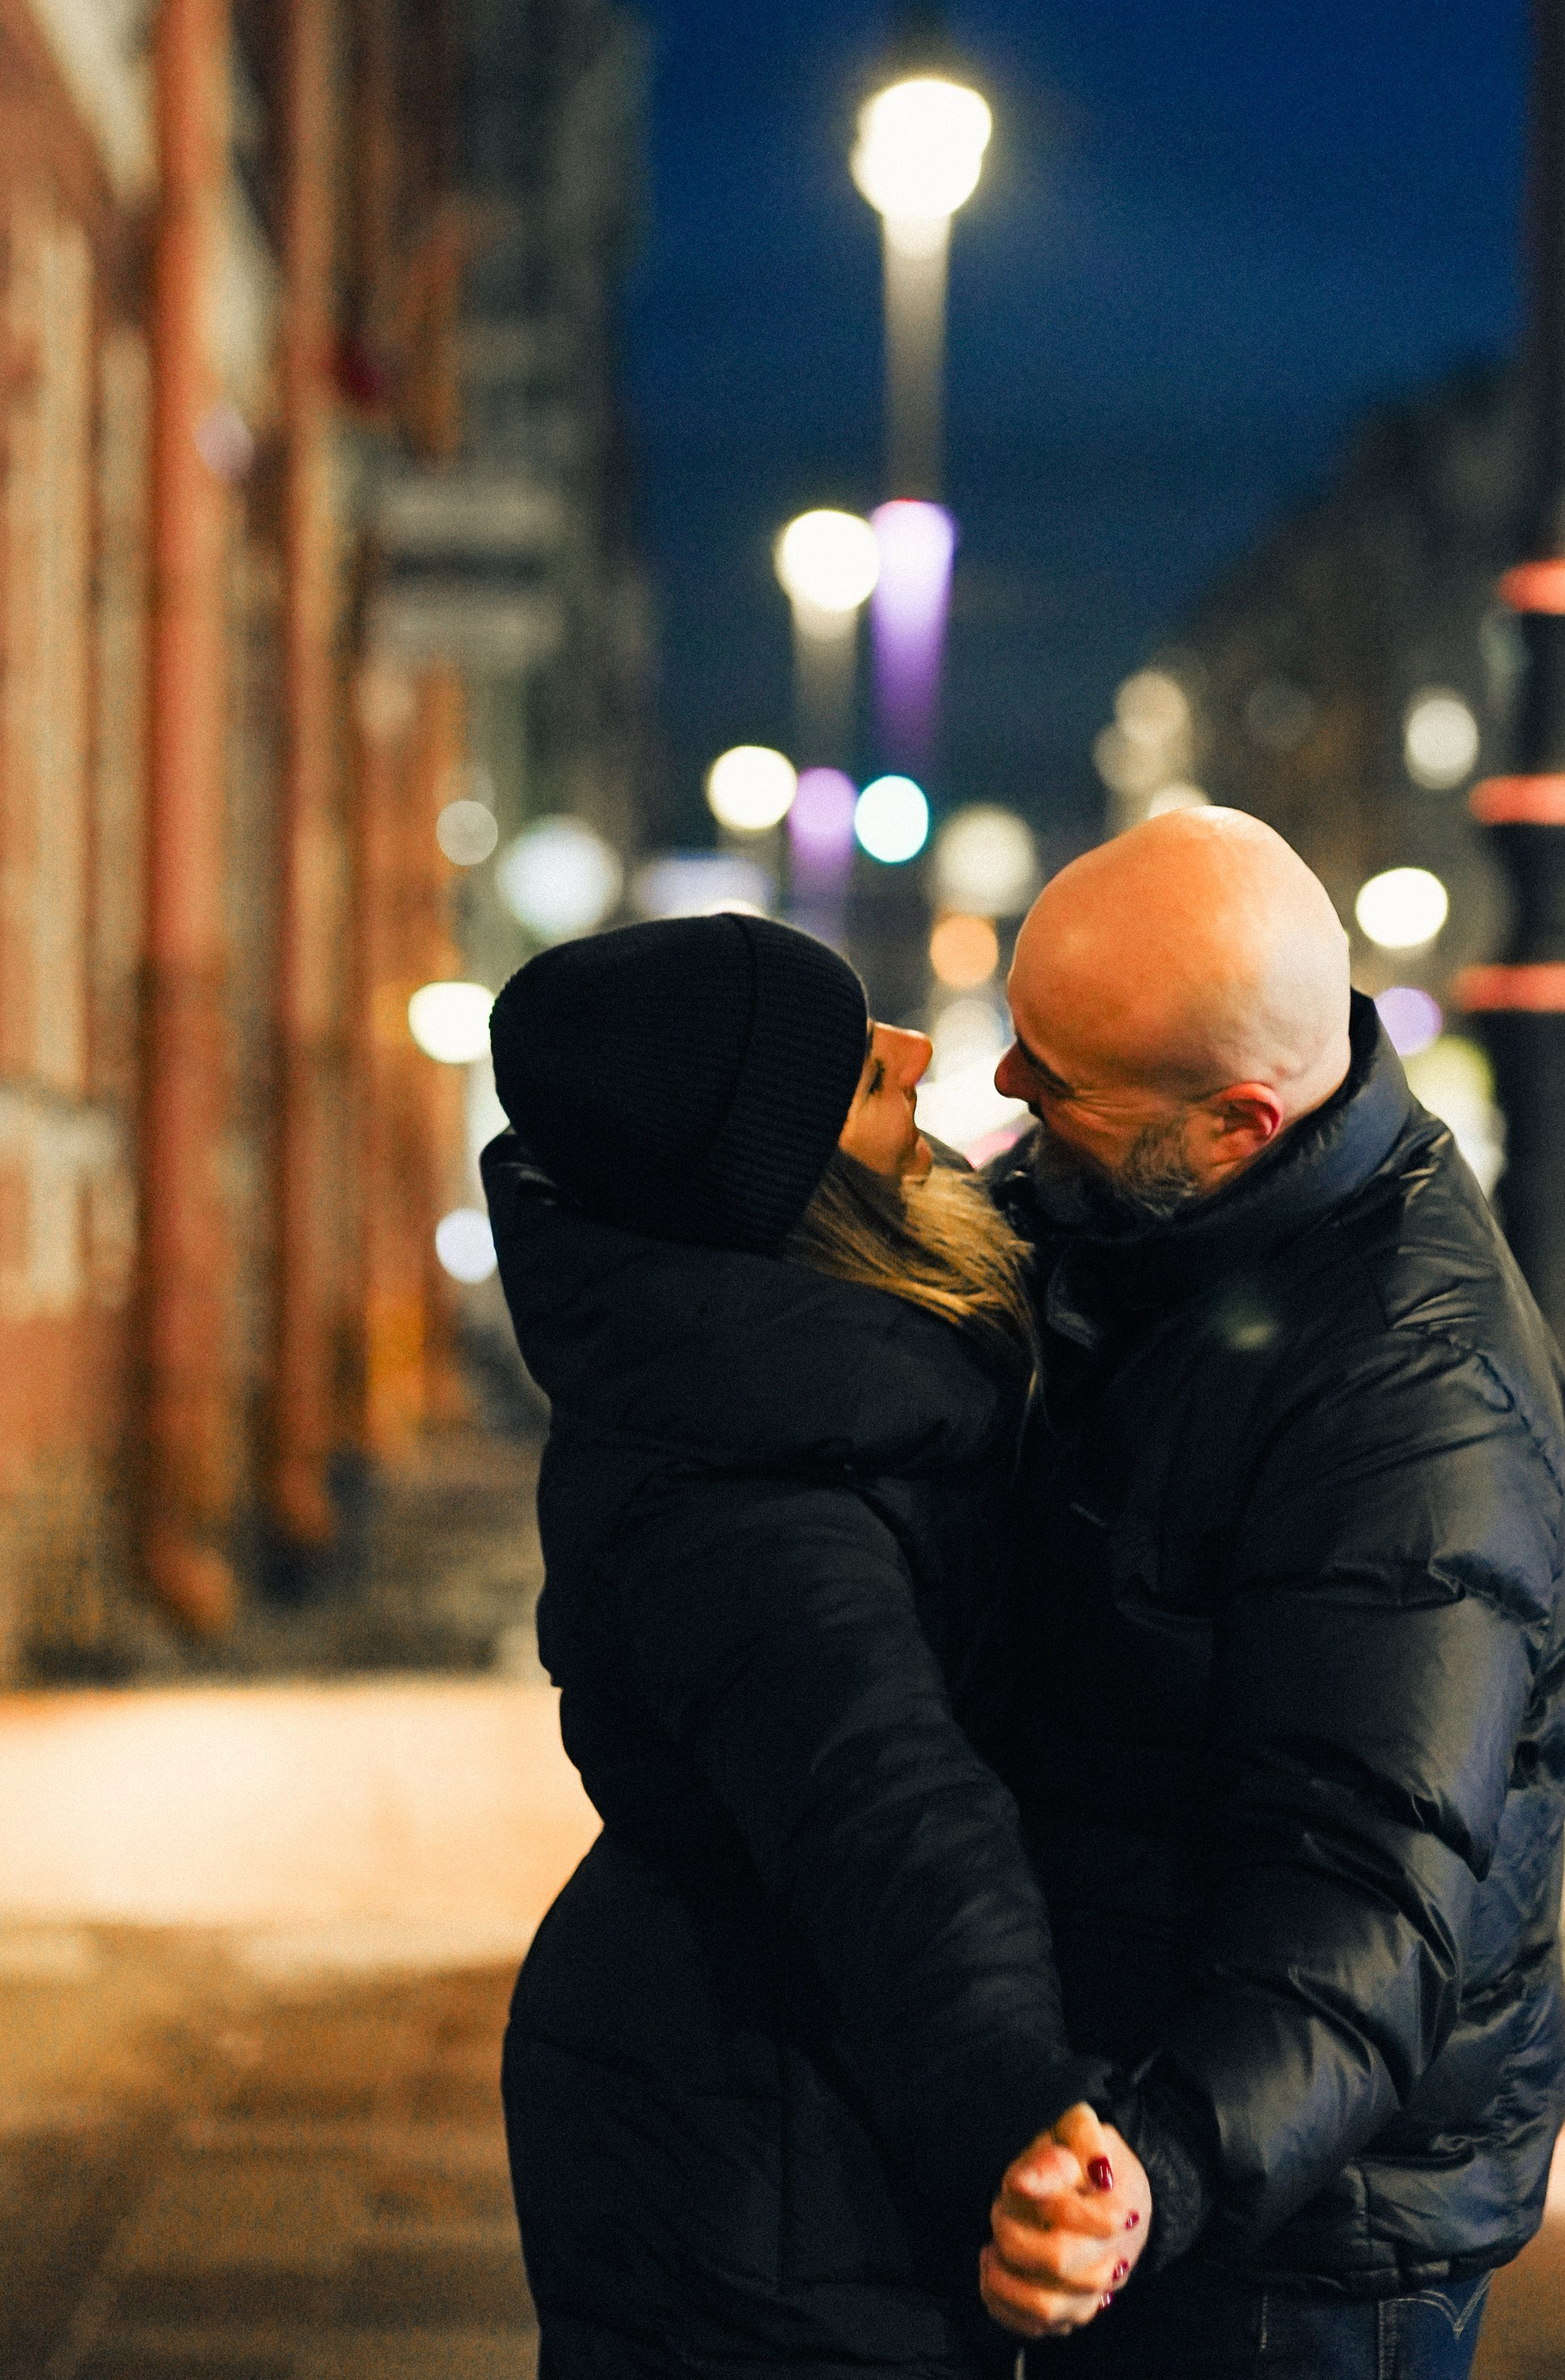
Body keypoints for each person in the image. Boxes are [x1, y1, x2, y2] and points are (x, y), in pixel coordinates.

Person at [484, 911, 1148, 2378]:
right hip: (759, 2153)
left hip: (764, 2086)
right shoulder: (751, 1492)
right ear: (778, 1184)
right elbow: (888, 1805)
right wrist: (1023, 2123)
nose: (912, 1050)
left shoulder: (795, 1355)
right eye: (858, 1072)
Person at [975, 807, 1565, 2380]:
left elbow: (1366, 1882)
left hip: (1292, 2258)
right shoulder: (1160, 1212)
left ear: (1240, 1122)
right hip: (1152, 2154)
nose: (1006, 1094)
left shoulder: (1415, 1393)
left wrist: (1151, 2168)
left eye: (1058, 1078)